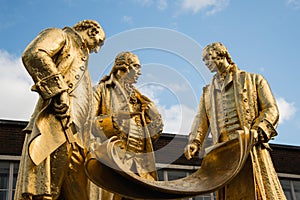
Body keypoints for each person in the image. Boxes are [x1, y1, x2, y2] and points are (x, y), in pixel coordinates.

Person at [14, 20, 105, 200]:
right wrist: (58, 91)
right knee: (46, 189)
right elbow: (34, 54)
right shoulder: (60, 36)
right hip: (55, 125)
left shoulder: (81, 56)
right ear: (91, 30)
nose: (97, 50)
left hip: (76, 136)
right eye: (99, 42)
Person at [184, 42, 286, 199]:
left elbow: (271, 109)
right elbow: (201, 120)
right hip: (223, 152)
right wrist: (195, 142)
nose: (206, 64)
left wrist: (257, 131)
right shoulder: (207, 92)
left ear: (221, 55)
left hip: (249, 146)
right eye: (203, 61)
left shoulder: (254, 80)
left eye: (208, 58)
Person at [89, 51, 163, 199]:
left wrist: (155, 117)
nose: (139, 72)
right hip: (114, 161)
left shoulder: (141, 99)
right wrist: (114, 120)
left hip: (140, 165)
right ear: (123, 67)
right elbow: (88, 123)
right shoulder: (101, 90)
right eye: (136, 67)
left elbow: (152, 135)